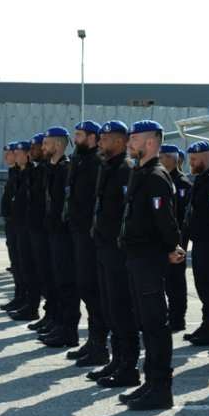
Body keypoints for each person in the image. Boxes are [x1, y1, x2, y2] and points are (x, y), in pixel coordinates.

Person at [117, 119, 184, 410]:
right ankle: (150, 383)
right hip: (136, 258)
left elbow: (165, 220)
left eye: (133, 139)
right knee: (146, 323)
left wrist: (172, 247)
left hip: (149, 259)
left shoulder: (156, 176)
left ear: (149, 142)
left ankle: (160, 388)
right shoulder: (139, 173)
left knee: (156, 325)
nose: (129, 143)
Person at [87, 120, 141, 389]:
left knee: (122, 309)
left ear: (119, 141)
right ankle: (117, 359)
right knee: (111, 307)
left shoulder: (125, 170)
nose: (100, 142)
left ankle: (128, 365)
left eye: (105, 138)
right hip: (105, 248)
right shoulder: (108, 167)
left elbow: (126, 213)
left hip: (119, 251)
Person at [65, 120, 109, 367]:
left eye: (80, 135)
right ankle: (94, 341)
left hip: (92, 237)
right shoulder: (80, 161)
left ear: (92, 137)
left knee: (94, 291)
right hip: (79, 234)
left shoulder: (97, 163)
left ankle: (99, 345)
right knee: (86, 289)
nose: (76, 139)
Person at [40, 127, 79, 348]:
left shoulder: (65, 169)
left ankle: (68, 330)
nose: (43, 148)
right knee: (56, 281)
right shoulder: (51, 169)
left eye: (46, 144)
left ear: (57, 145)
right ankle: (60, 325)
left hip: (64, 235)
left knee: (67, 283)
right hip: (53, 233)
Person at [183, 140, 209, 347]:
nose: (191, 163)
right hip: (198, 242)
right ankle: (206, 324)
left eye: (195, 159)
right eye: (190, 159)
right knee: (201, 286)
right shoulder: (198, 181)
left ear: (206, 158)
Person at [160, 143, 191, 332]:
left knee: (175, 281)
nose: (160, 161)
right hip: (164, 238)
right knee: (165, 280)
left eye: (162, 157)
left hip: (177, 238)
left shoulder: (182, 183)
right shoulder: (162, 180)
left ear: (174, 159)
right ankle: (170, 315)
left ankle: (177, 318)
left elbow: (182, 216)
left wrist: (178, 241)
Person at [25, 133, 55, 333]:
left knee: (55, 279)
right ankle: (50, 316)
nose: (38, 150)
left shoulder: (54, 170)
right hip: (37, 228)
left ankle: (58, 321)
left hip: (50, 231)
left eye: (41, 146)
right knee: (40, 274)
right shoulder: (36, 170)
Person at [8, 140, 37, 321]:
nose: (13, 157)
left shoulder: (32, 173)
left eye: (18, 154)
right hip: (17, 224)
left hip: (29, 226)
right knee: (20, 265)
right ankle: (22, 299)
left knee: (29, 268)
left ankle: (30, 304)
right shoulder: (17, 173)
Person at [1, 143, 24, 312]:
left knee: (23, 265)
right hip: (13, 224)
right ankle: (19, 297)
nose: (8, 157)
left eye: (11, 153)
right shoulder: (14, 173)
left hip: (21, 225)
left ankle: (25, 299)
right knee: (16, 264)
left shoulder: (23, 174)